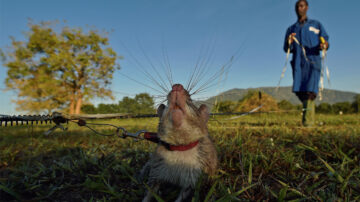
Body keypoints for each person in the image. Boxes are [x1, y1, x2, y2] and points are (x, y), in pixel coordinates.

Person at [284, 0, 329, 126]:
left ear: (307, 8)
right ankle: (307, 119)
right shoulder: (291, 29)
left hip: (313, 61)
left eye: (302, 5)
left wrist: (324, 44)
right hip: (298, 64)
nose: (299, 8)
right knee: (301, 91)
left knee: (310, 91)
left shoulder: (316, 25)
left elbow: (326, 41)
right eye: (297, 6)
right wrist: (289, 42)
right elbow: (286, 48)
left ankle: (308, 123)